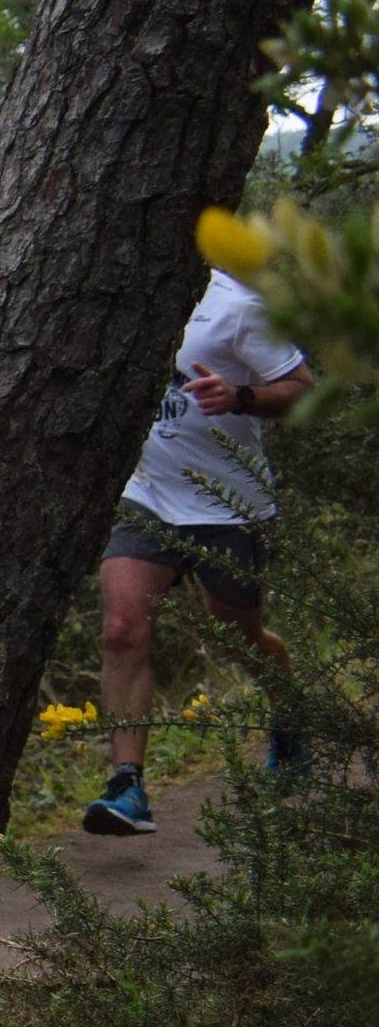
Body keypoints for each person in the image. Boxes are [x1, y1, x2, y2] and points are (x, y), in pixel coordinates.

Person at [85, 268, 311, 832]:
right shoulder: (124, 292)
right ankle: (128, 787)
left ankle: (291, 714)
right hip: (147, 496)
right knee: (121, 628)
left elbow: (302, 387)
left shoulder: (237, 305)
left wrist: (241, 396)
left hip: (228, 504)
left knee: (239, 634)